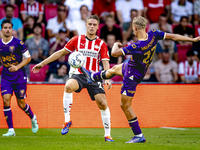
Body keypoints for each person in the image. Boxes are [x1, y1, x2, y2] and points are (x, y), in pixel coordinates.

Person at [80, 16, 200, 143]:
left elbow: (114, 53)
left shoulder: (137, 46)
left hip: (133, 75)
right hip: (133, 66)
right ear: (145, 27)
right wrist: (192, 39)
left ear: (135, 28)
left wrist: (115, 44)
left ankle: (138, 135)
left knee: (125, 106)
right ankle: (92, 77)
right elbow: (174, 37)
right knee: (114, 69)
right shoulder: (153, 34)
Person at [32, 15, 114, 142]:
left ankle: (107, 135)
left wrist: (107, 77)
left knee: (103, 103)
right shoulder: (76, 39)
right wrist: (42, 63)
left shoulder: (101, 44)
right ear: (86, 25)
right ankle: (66, 121)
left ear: (97, 27)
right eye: (90, 24)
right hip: (78, 74)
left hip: (94, 76)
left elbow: (105, 62)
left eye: (94, 25)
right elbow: (60, 53)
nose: (92, 27)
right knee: (69, 85)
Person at [0, 19, 38, 136]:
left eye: (9, 28)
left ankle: (32, 117)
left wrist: (17, 67)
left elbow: (28, 58)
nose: (7, 30)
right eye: (5, 28)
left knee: (21, 104)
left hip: (19, 77)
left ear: (12, 30)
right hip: (6, 76)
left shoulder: (18, 43)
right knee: (6, 100)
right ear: (2, 30)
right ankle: (11, 130)